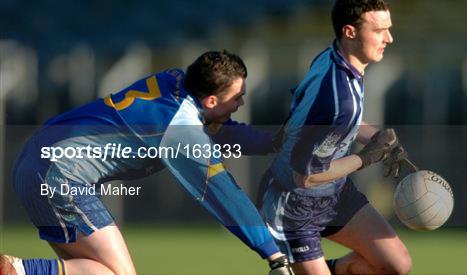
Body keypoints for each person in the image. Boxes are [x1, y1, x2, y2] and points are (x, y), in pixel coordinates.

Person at [0, 51, 293, 275]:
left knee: (89, 269)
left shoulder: (176, 82)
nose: (241, 102)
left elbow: (219, 128)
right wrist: (273, 253)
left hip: (36, 161)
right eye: (237, 97)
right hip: (59, 174)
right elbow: (222, 192)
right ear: (212, 101)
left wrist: (269, 144)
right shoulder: (182, 129)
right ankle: (14, 269)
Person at [258, 0, 413, 274]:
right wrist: (367, 157)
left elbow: (324, 118)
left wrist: (376, 138)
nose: (388, 39)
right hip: (294, 204)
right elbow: (305, 176)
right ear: (350, 32)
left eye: (389, 30)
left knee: (397, 264)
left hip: (334, 194)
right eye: (379, 30)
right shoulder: (340, 99)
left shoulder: (333, 57)